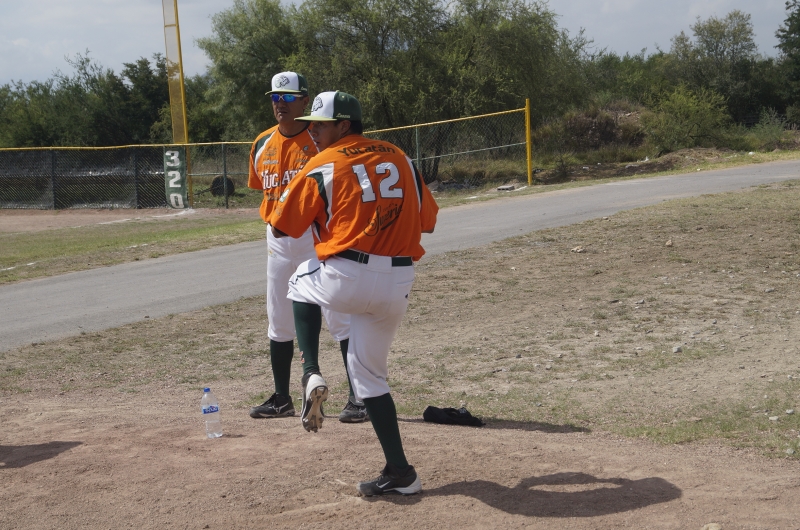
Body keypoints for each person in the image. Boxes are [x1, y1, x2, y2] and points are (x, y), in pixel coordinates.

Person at [270, 91, 438, 496]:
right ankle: (401, 473)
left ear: (344, 125)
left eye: (321, 124)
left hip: (347, 276)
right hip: (398, 281)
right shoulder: (401, 157)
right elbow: (428, 221)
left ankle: (310, 370)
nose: (312, 131)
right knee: (369, 378)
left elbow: (281, 228)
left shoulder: (322, 162)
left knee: (298, 280)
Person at [247, 73, 368, 424]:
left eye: (287, 98)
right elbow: (266, 192)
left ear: (303, 102)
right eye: (274, 97)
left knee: (339, 317)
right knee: (278, 319)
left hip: (315, 239)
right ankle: (282, 397)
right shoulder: (261, 144)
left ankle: (358, 397)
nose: (279, 104)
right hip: (277, 239)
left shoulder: (319, 143)